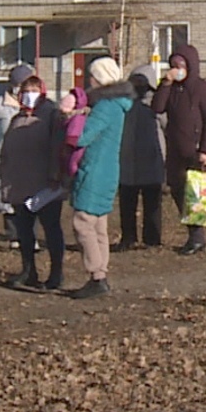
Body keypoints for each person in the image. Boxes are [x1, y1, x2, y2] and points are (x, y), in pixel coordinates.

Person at [68, 57, 134, 300]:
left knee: (83, 222)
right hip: (108, 170)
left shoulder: (105, 107)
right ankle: (100, 273)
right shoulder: (117, 105)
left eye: (92, 76)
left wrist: (72, 118)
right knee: (99, 226)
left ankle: (97, 275)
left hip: (95, 169)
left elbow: (83, 136)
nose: (90, 81)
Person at [152, 44, 206, 256]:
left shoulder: (202, 89)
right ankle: (193, 235)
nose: (176, 69)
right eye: (173, 65)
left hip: (197, 151)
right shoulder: (171, 88)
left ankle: (197, 239)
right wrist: (166, 83)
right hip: (176, 151)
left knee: (196, 196)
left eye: (180, 65)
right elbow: (157, 107)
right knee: (179, 192)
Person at [0, 76, 65, 290]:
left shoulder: (52, 115)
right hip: (19, 183)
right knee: (25, 231)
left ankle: (56, 274)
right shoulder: (16, 118)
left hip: (45, 184)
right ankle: (29, 271)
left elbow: (58, 146)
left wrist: (56, 174)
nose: (30, 94)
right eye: (26, 90)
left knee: (51, 229)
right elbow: (6, 150)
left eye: (35, 89)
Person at [0, 64, 35, 249]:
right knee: (7, 195)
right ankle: (13, 235)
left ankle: (31, 235)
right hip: (7, 157)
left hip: (30, 158)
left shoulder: (36, 105)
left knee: (31, 195)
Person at [117, 65, 166, 251]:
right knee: (127, 203)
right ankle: (128, 237)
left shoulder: (157, 103)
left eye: (142, 81)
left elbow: (167, 126)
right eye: (135, 81)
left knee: (152, 203)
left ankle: (152, 239)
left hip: (152, 161)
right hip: (127, 161)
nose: (138, 85)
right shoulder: (124, 103)